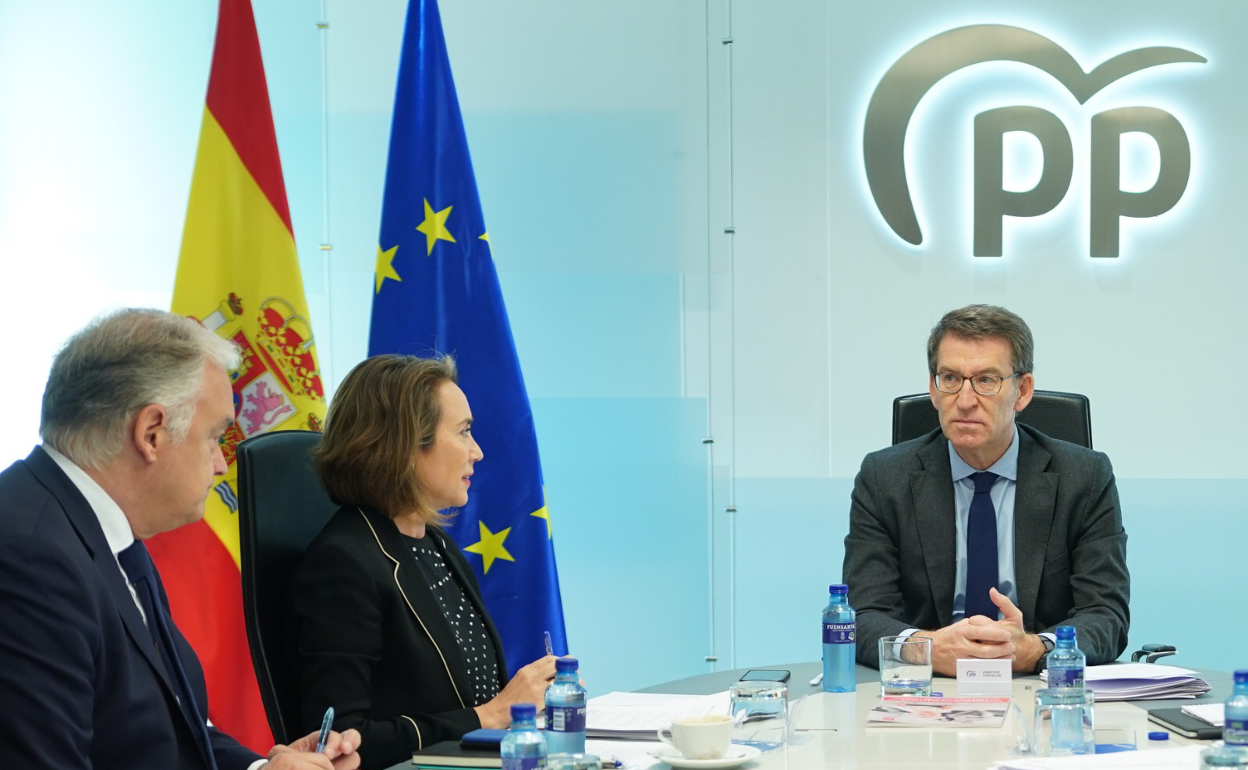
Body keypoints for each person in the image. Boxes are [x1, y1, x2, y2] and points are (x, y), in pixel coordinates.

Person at [0, 308, 362, 770]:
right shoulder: (30, 556)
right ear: (151, 433)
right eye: (214, 437)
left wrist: (264, 769)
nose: (222, 464)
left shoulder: (105, 532)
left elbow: (173, 731)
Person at [288, 354, 557, 770]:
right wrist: (490, 716)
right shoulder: (342, 564)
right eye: (464, 432)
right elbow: (339, 741)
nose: (478, 452)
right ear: (406, 444)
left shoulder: (435, 543)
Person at [843, 304, 1129, 676]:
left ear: (1022, 391)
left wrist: (1035, 649)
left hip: (1039, 684)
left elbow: (1106, 614)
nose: (964, 400)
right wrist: (926, 647)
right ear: (933, 389)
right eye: (950, 378)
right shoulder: (884, 479)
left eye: (986, 380)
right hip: (926, 686)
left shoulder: (1084, 478)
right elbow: (861, 615)